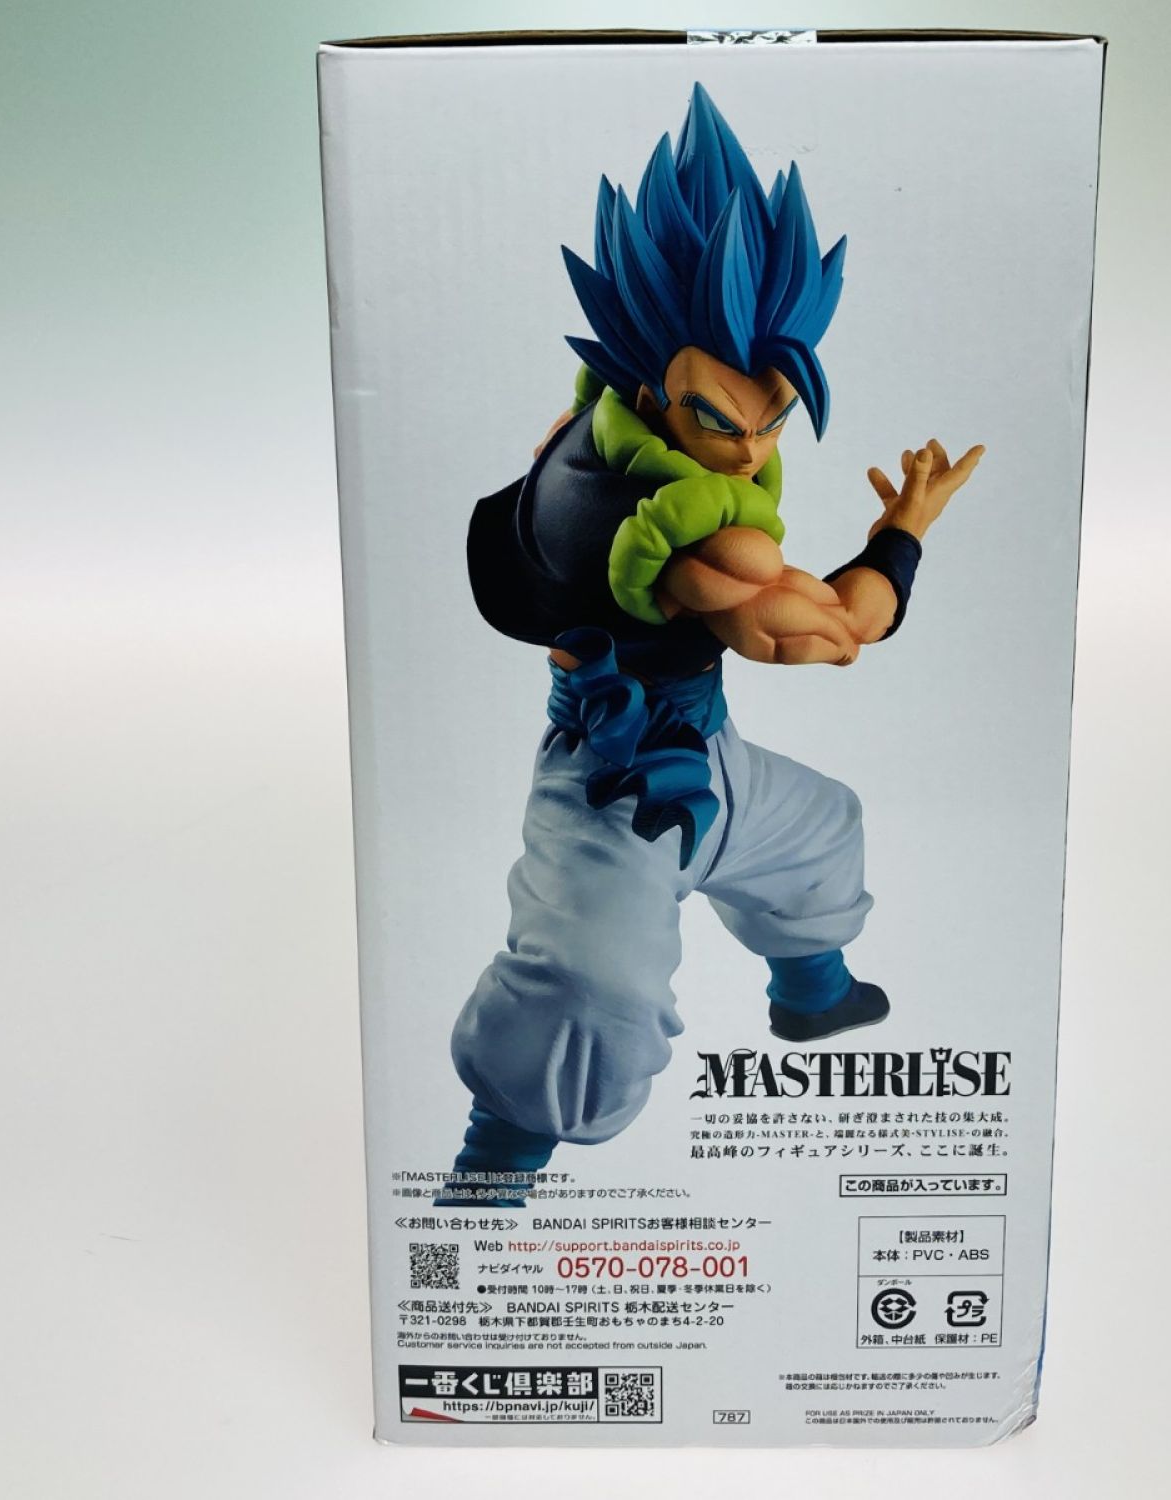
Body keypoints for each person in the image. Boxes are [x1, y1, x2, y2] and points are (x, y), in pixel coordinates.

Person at [442, 84, 983, 1206]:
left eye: (773, 418)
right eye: (722, 422)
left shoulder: (594, 415)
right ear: (656, 377)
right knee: (591, 993)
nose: (748, 454)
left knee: (820, 828)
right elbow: (837, 632)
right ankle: (490, 1181)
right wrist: (903, 535)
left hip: (708, 753)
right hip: (613, 786)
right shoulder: (685, 527)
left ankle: (814, 998)